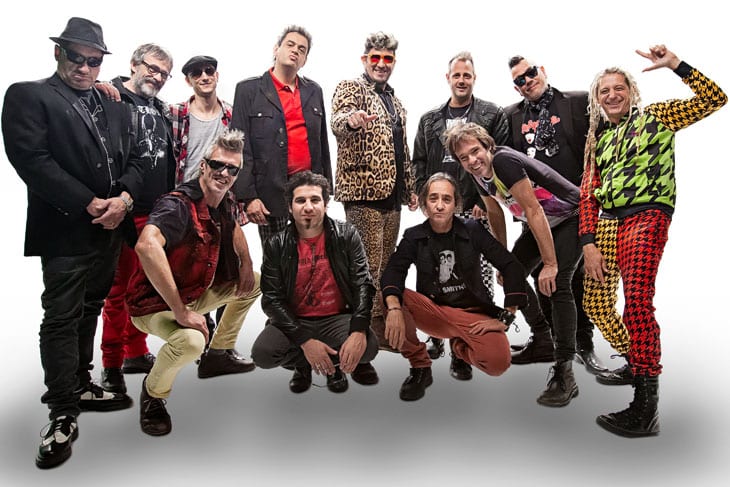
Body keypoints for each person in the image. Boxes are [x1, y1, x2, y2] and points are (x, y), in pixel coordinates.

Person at [1, 17, 143, 468]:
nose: (84, 67)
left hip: (109, 229)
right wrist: (89, 203)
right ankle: (62, 411)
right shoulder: (29, 95)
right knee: (61, 317)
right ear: (58, 53)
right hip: (65, 231)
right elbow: (32, 160)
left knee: (91, 307)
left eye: (93, 61)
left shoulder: (115, 104)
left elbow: (137, 158)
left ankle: (81, 383)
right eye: (76, 57)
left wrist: (123, 200)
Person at [580, 45, 726, 437]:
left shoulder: (657, 117)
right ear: (597, 99)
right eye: (605, 90)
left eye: (619, 88)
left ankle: (645, 408)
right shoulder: (598, 140)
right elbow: (588, 195)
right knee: (595, 303)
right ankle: (637, 358)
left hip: (646, 216)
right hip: (607, 223)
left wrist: (676, 65)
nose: (612, 94)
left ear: (632, 92)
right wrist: (588, 243)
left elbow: (715, 99)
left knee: (637, 302)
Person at [127, 129, 261, 436]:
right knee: (190, 342)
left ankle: (219, 353)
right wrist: (181, 311)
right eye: (217, 164)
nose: (224, 173)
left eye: (232, 169)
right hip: (154, 305)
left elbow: (233, 226)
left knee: (255, 282)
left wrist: (246, 263)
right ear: (203, 165)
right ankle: (153, 395)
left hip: (193, 293)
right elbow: (146, 246)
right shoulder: (177, 206)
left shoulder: (221, 199)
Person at [446, 122, 583, 407]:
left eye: (475, 151)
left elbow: (533, 210)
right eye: (464, 157)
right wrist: (504, 261)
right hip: (545, 222)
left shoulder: (503, 161)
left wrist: (550, 263)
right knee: (513, 276)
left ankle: (565, 371)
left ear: (487, 146)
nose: (472, 160)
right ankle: (543, 339)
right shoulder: (478, 173)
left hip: (572, 216)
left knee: (557, 283)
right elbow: (495, 213)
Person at [381, 173, 527, 401]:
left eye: (446, 199)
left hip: (473, 315)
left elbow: (511, 265)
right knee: (389, 295)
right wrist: (393, 308)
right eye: (433, 198)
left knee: (497, 363)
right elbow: (393, 271)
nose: (439, 205)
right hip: (435, 313)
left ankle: (459, 348)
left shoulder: (473, 229)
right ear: (424, 203)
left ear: (456, 204)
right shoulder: (413, 236)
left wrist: (507, 315)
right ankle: (420, 366)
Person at [505, 55, 608, 376]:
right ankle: (548, 338)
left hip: (578, 209)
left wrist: (605, 195)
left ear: (542, 71)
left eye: (530, 73)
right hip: (537, 213)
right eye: (519, 80)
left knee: (571, 276)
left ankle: (583, 344)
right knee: (532, 272)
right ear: (516, 87)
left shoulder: (578, 102)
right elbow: (502, 163)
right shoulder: (511, 116)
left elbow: (606, 146)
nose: (527, 81)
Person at [412, 51, 510, 377]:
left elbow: (500, 157)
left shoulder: (491, 114)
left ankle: (465, 347)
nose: (462, 80)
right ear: (448, 78)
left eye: (467, 75)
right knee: (436, 274)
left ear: (474, 78)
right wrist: (423, 196)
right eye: (457, 75)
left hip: (476, 208)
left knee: (476, 280)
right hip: (440, 210)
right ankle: (437, 335)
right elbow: (418, 161)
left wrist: (486, 196)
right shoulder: (429, 119)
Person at [251, 171, 380, 393]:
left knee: (369, 348)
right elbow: (271, 299)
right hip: (296, 320)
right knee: (263, 354)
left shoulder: (346, 234)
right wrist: (305, 341)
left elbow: (363, 284)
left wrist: (358, 330)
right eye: (300, 200)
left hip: (337, 317)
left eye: (315, 200)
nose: (308, 207)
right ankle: (305, 364)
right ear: (290, 207)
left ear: (326, 204)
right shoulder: (276, 244)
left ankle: (334, 366)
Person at [98, 43, 177, 395]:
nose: (157, 77)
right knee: (118, 291)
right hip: (126, 209)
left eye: (164, 74)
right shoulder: (110, 97)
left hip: (158, 210)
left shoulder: (159, 108)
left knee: (145, 287)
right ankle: (111, 364)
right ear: (134, 64)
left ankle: (135, 351)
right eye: (152, 68)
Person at [331, 31, 417, 350]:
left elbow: (402, 148)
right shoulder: (351, 88)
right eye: (376, 58)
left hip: (392, 194)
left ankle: (377, 320)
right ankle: (365, 324)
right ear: (365, 59)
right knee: (366, 263)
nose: (382, 64)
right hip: (363, 191)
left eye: (388, 58)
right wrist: (351, 120)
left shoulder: (395, 100)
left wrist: (410, 188)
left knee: (386, 262)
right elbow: (338, 121)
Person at [231, 25, 331, 244]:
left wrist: (325, 190)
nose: (295, 51)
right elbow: (240, 148)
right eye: (290, 45)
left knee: (312, 256)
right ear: (276, 49)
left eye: (302, 49)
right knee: (276, 258)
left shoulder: (314, 91)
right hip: (269, 194)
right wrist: (248, 197)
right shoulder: (248, 90)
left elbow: (322, 143)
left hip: (308, 192)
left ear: (305, 60)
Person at [170, 54, 235, 343]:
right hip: (188, 203)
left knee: (226, 269)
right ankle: (200, 338)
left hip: (223, 202)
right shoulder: (176, 113)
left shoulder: (231, 114)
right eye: (196, 73)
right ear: (189, 81)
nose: (204, 76)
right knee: (194, 270)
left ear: (217, 75)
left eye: (209, 71)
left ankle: (221, 346)